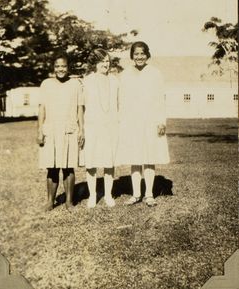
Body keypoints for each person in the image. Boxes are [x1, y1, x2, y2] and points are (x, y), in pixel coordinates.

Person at [116, 41, 170, 207]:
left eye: (142, 53)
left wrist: (161, 121)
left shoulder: (155, 73)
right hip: (131, 121)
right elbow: (121, 100)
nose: (139, 57)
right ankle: (136, 194)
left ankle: (148, 194)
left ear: (147, 55)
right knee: (135, 158)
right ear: (132, 56)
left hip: (150, 120)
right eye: (136, 54)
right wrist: (121, 121)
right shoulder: (124, 75)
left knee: (149, 156)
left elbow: (160, 99)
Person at [37, 52, 84, 211]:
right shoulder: (46, 84)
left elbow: (79, 108)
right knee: (52, 167)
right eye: (57, 66)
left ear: (68, 67)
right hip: (51, 129)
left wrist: (81, 130)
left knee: (69, 166)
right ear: (53, 67)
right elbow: (41, 108)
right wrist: (40, 130)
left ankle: (69, 202)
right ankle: (50, 201)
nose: (60, 69)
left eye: (63, 66)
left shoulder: (76, 84)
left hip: (69, 129)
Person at [80, 48, 119, 208]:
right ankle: (92, 195)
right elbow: (81, 106)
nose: (106, 64)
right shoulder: (87, 80)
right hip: (92, 125)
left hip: (110, 124)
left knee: (109, 161)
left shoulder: (115, 80)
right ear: (94, 63)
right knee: (91, 161)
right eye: (102, 61)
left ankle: (109, 195)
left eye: (107, 61)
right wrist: (81, 127)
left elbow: (119, 103)